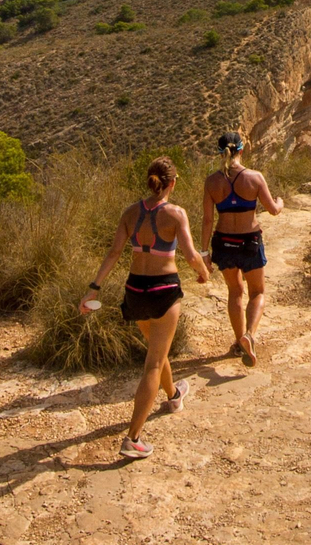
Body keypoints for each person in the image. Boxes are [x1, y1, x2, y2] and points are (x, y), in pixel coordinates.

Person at [82, 156, 209, 459]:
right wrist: (203, 273)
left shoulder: (130, 213)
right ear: (172, 183)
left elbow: (114, 253)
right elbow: (191, 255)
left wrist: (93, 288)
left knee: (157, 349)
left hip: (135, 290)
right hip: (164, 291)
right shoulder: (176, 214)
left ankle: (174, 395)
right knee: (153, 363)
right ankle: (132, 438)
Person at [199, 131, 283, 367]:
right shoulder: (254, 177)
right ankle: (250, 335)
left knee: (234, 292)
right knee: (257, 292)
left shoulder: (212, 181)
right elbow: (273, 210)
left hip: (224, 242)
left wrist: (204, 252)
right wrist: (280, 202)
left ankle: (238, 342)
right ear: (242, 150)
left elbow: (207, 220)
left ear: (219, 152)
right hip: (249, 242)